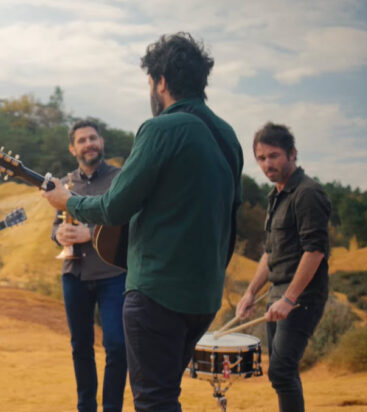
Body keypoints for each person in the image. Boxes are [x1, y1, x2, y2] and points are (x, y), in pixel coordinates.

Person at [41, 32, 243, 411]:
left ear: (161, 82)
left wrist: (67, 200)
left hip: (156, 293)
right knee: (165, 397)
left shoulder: (161, 128)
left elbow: (115, 207)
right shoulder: (227, 136)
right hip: (203, 296)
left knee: (153, 402)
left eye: (151, 82)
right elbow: (231, 218)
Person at [236, 123, 330, 412]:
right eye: (261, 158)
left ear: (292, 153)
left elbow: (314, 251)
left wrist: (289, 298)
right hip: (277, 295)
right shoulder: (276, 195)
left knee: (281, 370)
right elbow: (269, 252)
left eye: (274, 156)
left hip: (301, 298)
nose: (267, 164)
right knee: (281, 373)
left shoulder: (307, 193)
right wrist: (251, 292)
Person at [51, 119, 127, 412]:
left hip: (113, 275)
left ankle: (111, 408)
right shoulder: (65, 183)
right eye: (81, 140)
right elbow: (55, 226)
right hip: (74, 275)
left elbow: (128, 225)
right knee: (80, 347)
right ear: (73, 149)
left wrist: (91, 233)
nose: (88, 144)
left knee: (117, 346)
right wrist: (59, 235)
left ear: (102, 142)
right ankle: (86, 407)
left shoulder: (121, 179)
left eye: (92, 138)